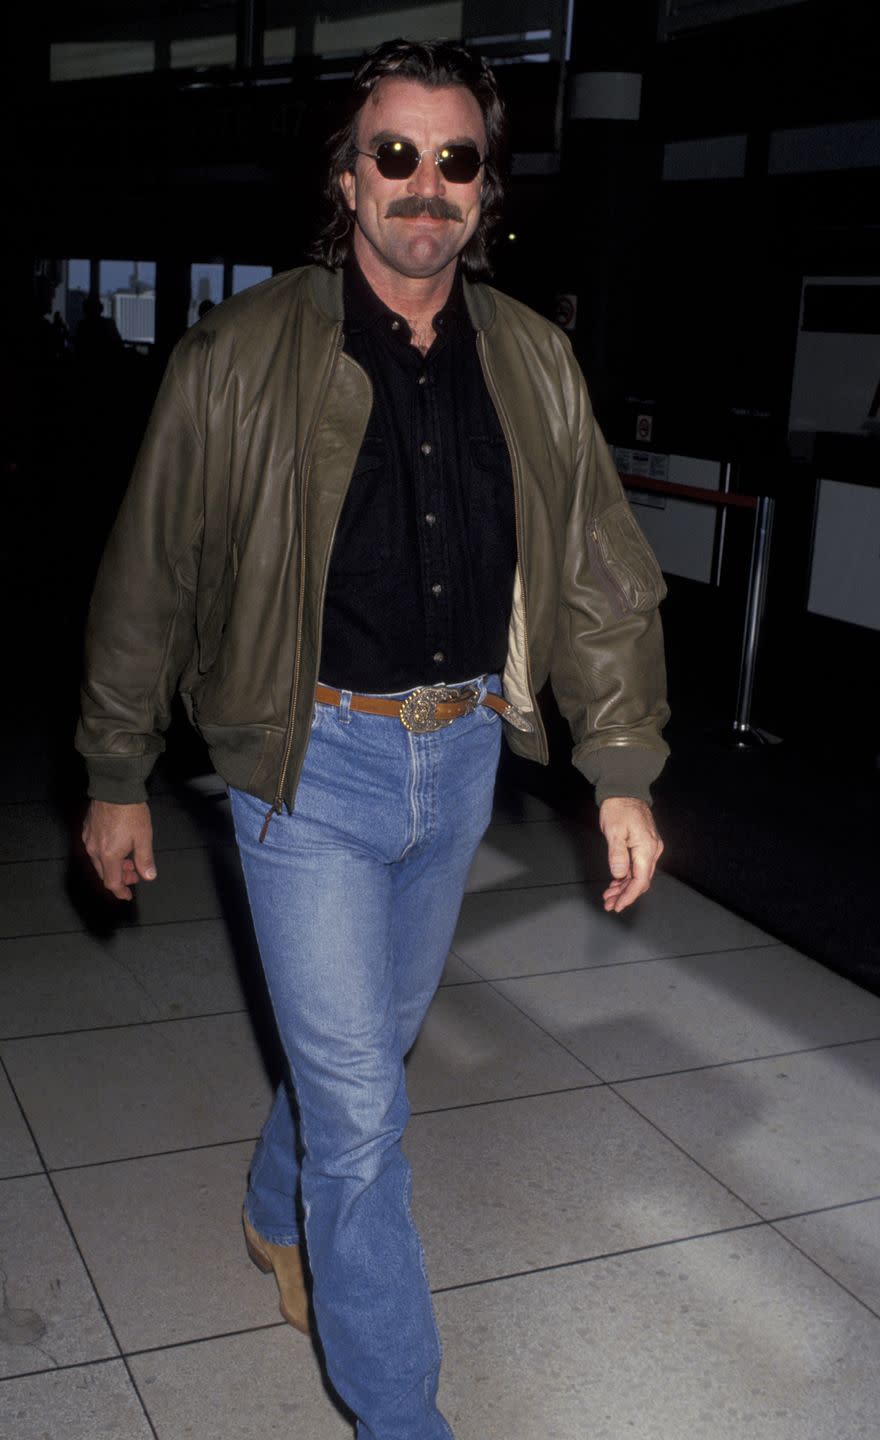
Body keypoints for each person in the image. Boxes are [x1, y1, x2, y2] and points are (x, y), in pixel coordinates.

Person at [77, 38, 669, 1440]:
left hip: (459, 757)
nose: (423, 184)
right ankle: (405, 1420)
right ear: (346, 178)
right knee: (363, 1122)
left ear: (487, 189)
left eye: (453, 159)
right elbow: (150, 574)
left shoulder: (532, 357)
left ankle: (265, 1208)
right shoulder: (237, 356)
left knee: (369, 1052)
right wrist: (115, 774)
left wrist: (624, 770)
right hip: (307, 763)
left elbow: (595, 569)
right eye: (393, 154)